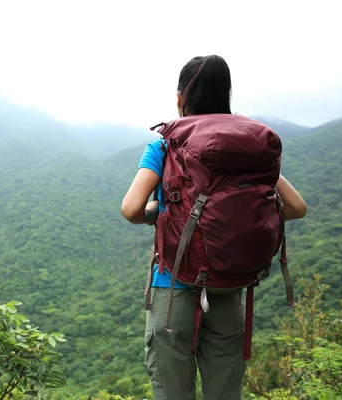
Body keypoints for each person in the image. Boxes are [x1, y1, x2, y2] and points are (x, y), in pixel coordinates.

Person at [121, 55, 307, 400]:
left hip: (173, 287)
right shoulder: (246, 151)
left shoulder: (166, 145)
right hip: (228, 288)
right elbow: (296, 208)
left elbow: (131, 209)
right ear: (227, 97)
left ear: (180, 98)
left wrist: (160, 211)